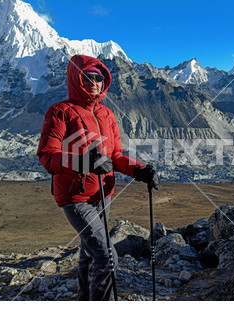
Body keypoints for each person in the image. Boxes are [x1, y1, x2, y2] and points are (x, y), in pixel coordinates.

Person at [37, 54, 160, 301]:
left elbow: (115, 155)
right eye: (88, 77)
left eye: (99, 77)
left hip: (104, 194)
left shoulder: (107, 115)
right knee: (106, 256)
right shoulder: (61, 111)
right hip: (76, 197)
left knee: (89, 255)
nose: (95, 82)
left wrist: (139, 171)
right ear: (76, 78)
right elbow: (47, 156)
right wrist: (84, 162)